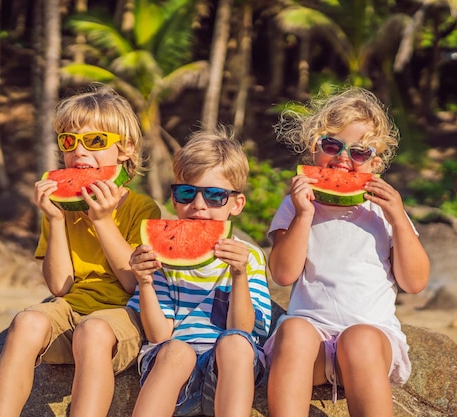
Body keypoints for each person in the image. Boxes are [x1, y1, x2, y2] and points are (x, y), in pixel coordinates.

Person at [0, 85, 161, 417]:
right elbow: (59, 287)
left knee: (93, 331)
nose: (79, 151)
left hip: (124, 315)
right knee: (26, 322)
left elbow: (131, 282)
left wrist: (102, 220)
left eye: (95, 141)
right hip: (72, 307)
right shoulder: (60, 208)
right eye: (69, 141)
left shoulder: (143, 208)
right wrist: (53, 218)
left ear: (125, 150)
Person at [264, 87, 430, 417]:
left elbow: (414, 282)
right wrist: (303, 215)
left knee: (359, 340)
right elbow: (282, 274)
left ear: (376, 163)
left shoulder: (384, 213)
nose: (342, 158)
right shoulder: (296, 206)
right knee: (293, 330)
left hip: (370, 347)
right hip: (310, 348)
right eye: (331, 146)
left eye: (358, 152)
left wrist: (398, 216)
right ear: (314, 149)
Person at [126, 126, 272, 417]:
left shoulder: (249, 256)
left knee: (234, 344)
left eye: (215, 196)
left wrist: (239, 275)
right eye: (186, 193)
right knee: (175, 350)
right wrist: (144, 282)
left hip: (228, 368)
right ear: (173, 197)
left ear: (236, 204)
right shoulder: (159, 257)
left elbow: (243, 329)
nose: (198, 206)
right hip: (175, 364)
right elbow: (158, 334)